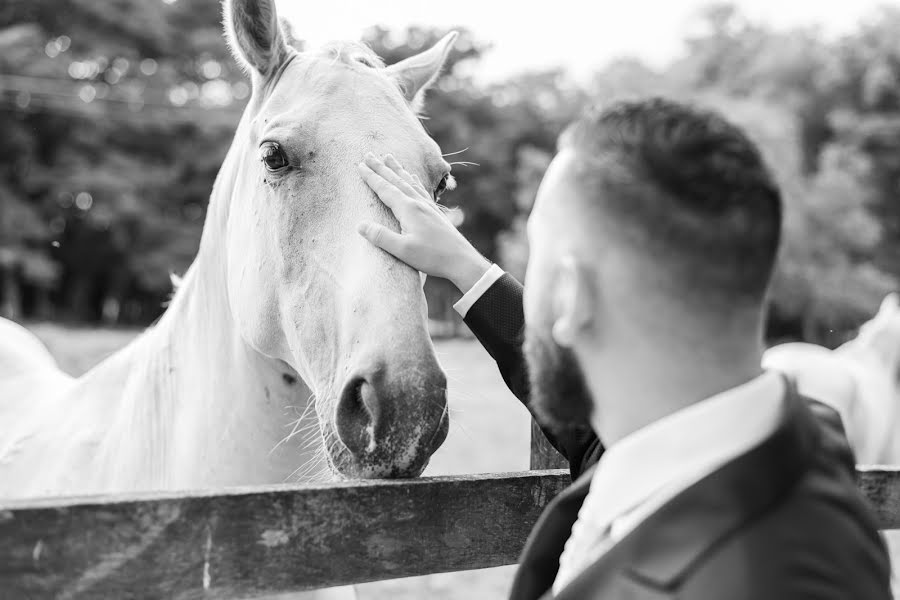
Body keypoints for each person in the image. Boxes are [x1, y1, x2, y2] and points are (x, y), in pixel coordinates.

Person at [355, 98, 892, 599]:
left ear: (570, 294)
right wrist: (465, 268)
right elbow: (595, 432)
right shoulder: (795, 438)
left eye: (538, 254)